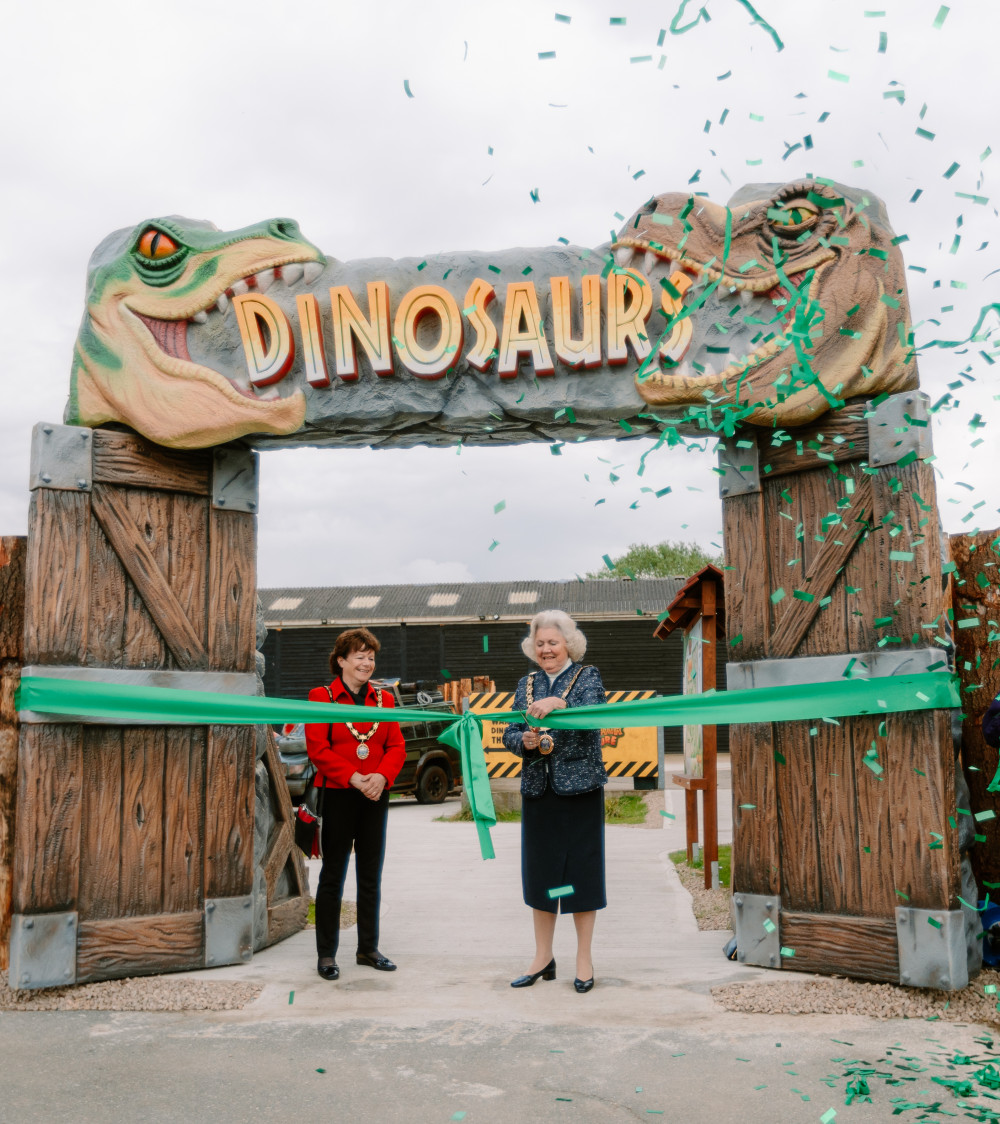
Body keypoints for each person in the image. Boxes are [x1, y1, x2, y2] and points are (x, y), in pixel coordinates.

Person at [503, 609, 608, 993]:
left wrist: (557, 704)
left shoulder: (587, 676)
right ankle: (543, 957)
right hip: (538, 790)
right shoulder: (526, 683)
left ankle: (584, 959)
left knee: (581, 874)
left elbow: (594, 713)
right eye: (540, 643)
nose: (546, 649)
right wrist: (524, 742)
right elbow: (510, 733)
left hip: (579, 789)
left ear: (569, 644)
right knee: (542, 875)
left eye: (553, 642)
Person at [305, 627, 405, 981]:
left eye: (371, 657)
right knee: (333, 874)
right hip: (338, 793)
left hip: (376, 794)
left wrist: (381, 777)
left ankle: (368, 948)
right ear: (342, 660)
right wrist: (353, 777)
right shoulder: (321, 696)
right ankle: (327, 954)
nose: (367, 662)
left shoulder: (385, 700)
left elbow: (396, 746)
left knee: (370, 875)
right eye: (360, 656)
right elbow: (318, 749)